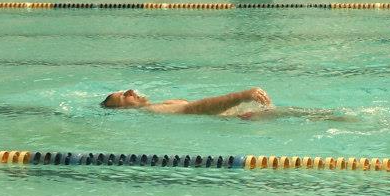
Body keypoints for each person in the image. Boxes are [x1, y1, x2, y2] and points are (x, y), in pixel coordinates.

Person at [101, 87, 272, 115]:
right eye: (124, 96)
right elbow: (196, 109)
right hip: (245, 119)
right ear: (123, 110)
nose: (130, 91)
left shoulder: (161, 103)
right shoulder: (154, 111)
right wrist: (240, 96)